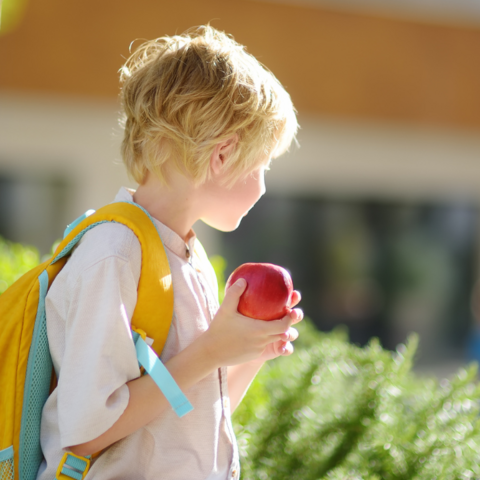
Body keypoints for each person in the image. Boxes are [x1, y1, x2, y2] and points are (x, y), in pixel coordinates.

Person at [37, 25, 302, 480]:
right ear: (223, 155)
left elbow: (187, 417)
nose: (263, 184)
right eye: (262, 165)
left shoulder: (189, 257)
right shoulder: (115, 253)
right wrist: (210, 351)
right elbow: (85, 433)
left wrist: (251, 350)